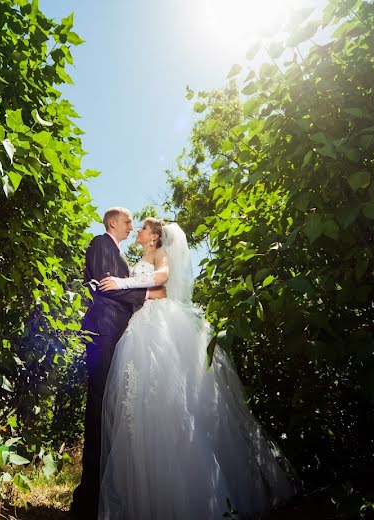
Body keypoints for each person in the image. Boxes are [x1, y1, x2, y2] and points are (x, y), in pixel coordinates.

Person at [96, 218, 296, 519]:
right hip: (139, 324)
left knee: (167, 398)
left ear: (154, 237)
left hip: (156, 325)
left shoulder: (158, 255)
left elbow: (162, 279)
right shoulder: (140, 257)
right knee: (140, 405)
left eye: (143, 229)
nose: (137, 230)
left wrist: (123, 283)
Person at [70, 207, 166, 519]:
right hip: (105, 331)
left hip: (120, 335)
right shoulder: (101, 243)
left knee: (113, 409)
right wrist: (143, 297)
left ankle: (105, 494)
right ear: (113, 222)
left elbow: (123, 285)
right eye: (127, 222)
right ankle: (89, 498)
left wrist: (132, 289)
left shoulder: (123, 257)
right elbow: (103, 286)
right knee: (99, 408)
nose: (131, 226)